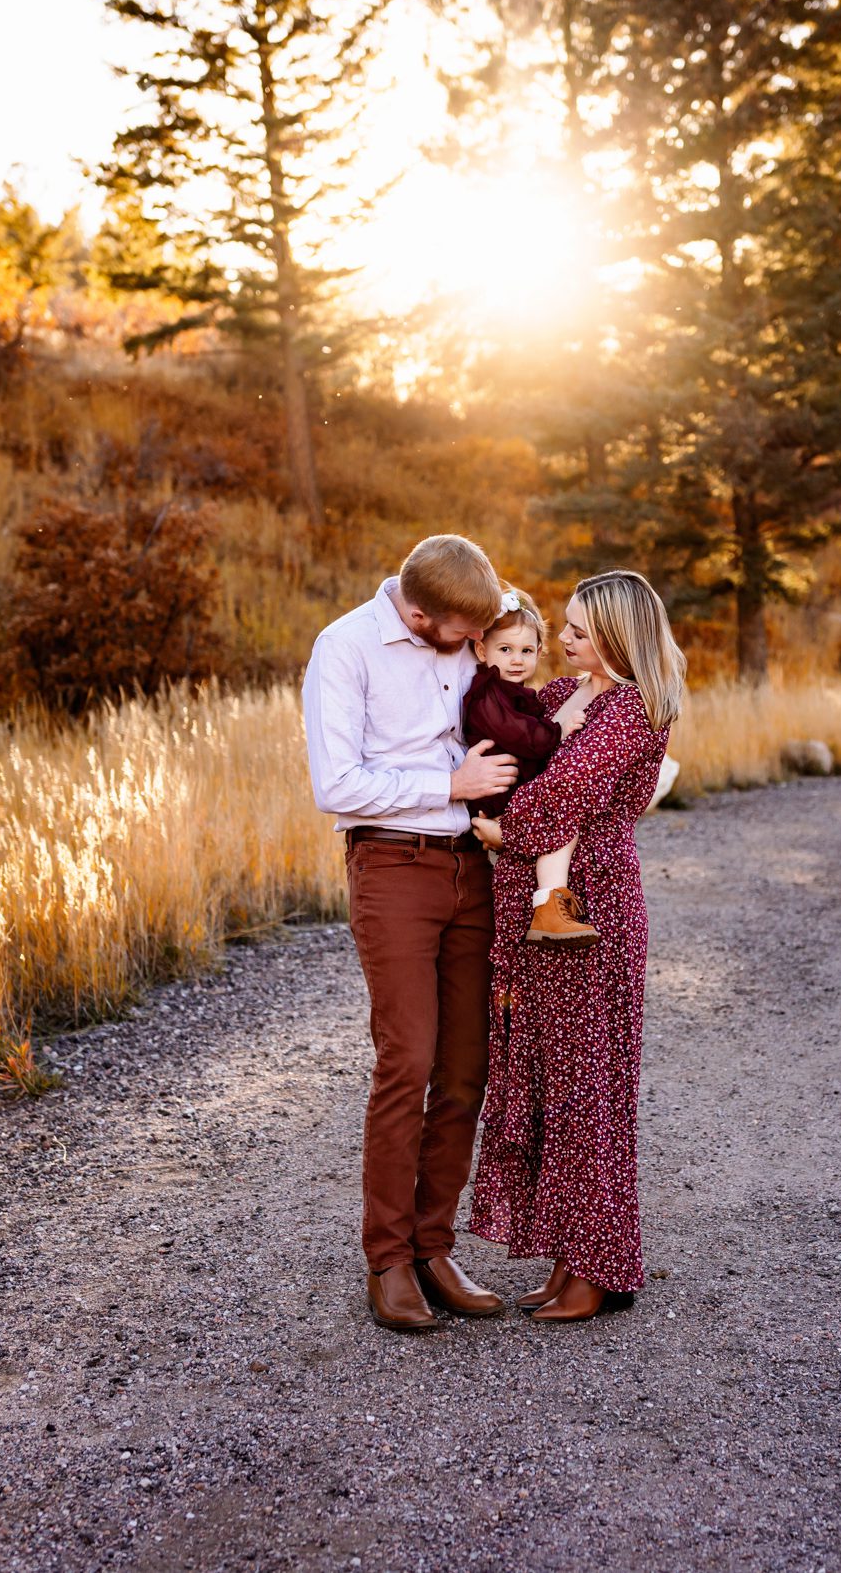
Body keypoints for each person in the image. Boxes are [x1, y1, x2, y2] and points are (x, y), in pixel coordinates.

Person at [300, 534, 519, 1333]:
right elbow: (338, 784)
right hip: (393, 868)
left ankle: (434, 1245)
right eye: (459, 632)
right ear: (417, 611)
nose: (471, 646)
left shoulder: (468, 624)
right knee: (409, 1060)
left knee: (468, 1064)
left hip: (478, 867)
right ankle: (387, 1259)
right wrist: (450, 786)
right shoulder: (346, 647)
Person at [468, 570, 687, 1323]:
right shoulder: (564, 695)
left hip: (591, 907)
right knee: (554, 1082)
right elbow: (509, 743)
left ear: (620, 637)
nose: (563, 641)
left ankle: (600, 1266)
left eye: (580, 632)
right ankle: (571, 1255)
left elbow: (564, 793)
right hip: (536, 909)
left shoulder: (632, 707)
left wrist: (500, 827)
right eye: (563, 627)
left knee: (591, 1086)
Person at [459, 590, 596, 944]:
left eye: (526, 651)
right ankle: (549, 905)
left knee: (561, 814)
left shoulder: (519, 694)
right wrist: (558, 730)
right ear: (481, 651)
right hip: (496, 794)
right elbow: (519, 736)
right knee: (558, 813)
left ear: (539, 652)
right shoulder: (486, 693)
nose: (516, 660)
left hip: (512, 789)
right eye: (505, 650)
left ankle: (549, 902)